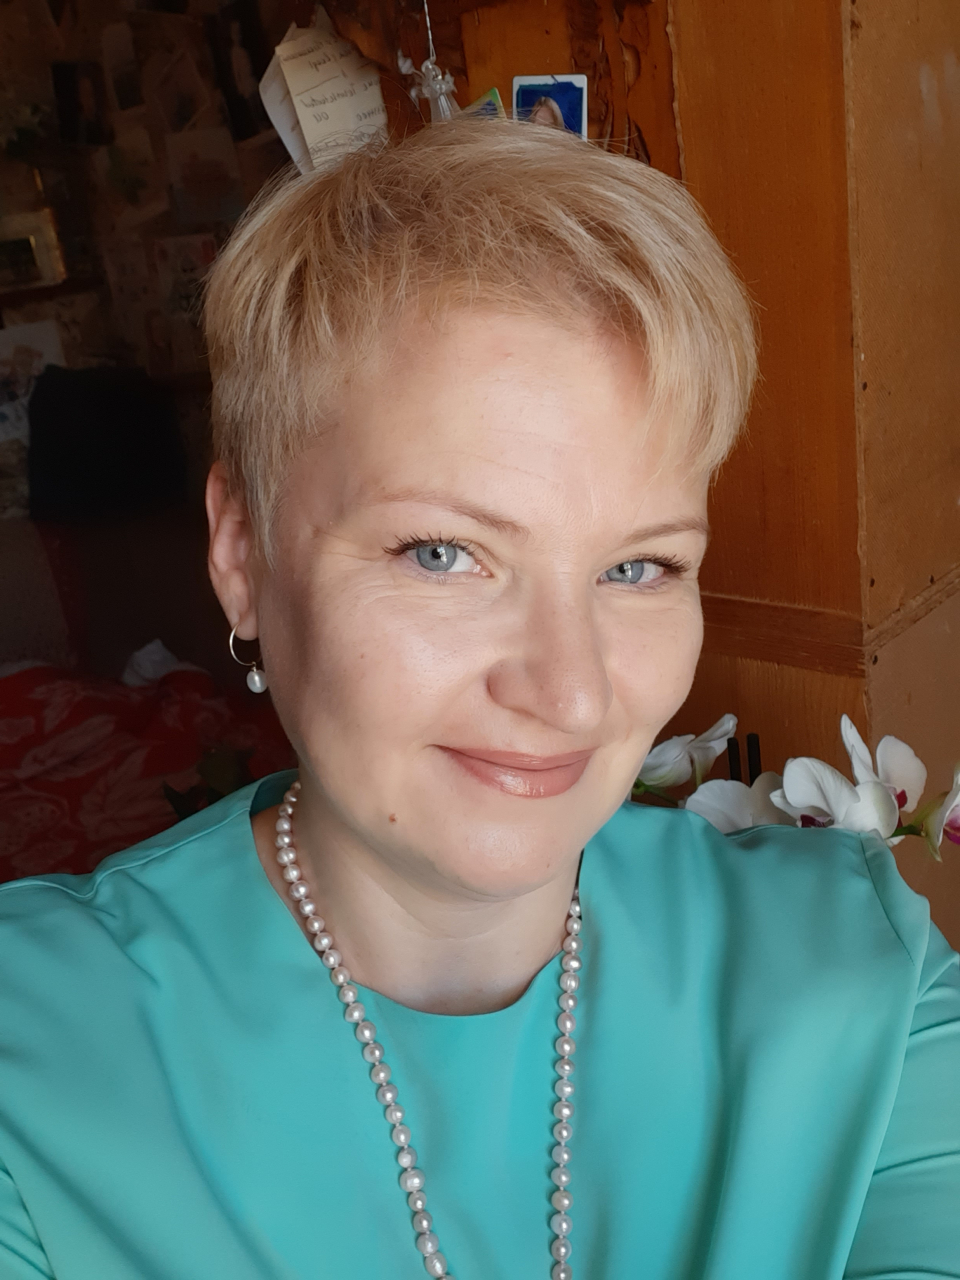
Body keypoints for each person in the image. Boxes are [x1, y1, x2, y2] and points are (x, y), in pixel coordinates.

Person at [0, 118, 957, 1279]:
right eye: (443, 552)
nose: (571, 691)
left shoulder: (857, 976)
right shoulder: (34, 1060)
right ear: (242, 554)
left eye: (638, 565)